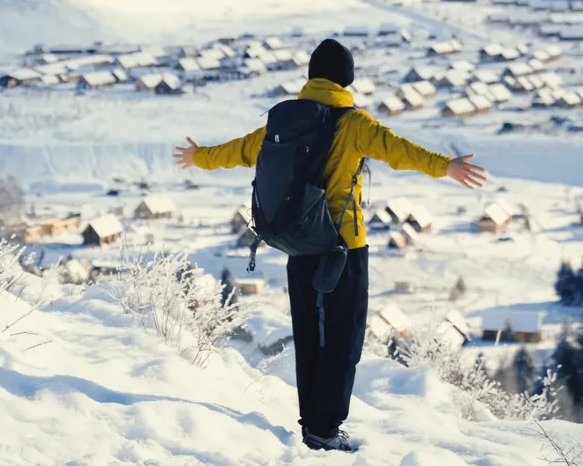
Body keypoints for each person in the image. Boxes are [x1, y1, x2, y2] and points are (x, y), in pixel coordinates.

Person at [174, 38, 486, 452]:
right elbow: (399, 151)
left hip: (297, 244)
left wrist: (199, 157)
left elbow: (240, 151)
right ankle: (325, 430)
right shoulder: (353, 123)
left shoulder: (284, 123)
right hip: (343, 248)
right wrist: (445, 165)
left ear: (311, 77)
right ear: (346, 79)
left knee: (308, 334)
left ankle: (312, 425)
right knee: (344, 337)